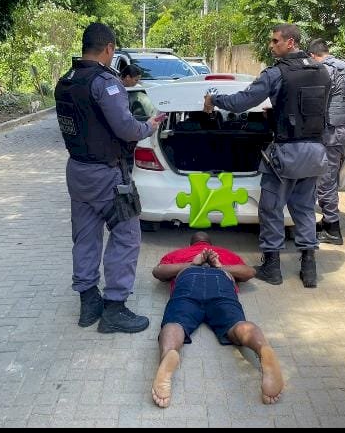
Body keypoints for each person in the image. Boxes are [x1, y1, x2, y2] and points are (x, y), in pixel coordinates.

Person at [54, 22, 165, 334]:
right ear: (109, 49)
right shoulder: (106, 82)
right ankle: (114, 307)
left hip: (77, 170)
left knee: (85, 236)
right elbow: (127, 128)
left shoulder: (66, 80)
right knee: (127, 235)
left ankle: (89, 302)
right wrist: (149, 126)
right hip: (106, 174)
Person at [204, 23, 331, 288]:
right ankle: (309, 268)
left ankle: (272, 267)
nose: (271, 46)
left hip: (287, 154)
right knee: (305, 208)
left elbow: (242, 101)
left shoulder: (276, 74)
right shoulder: (322, 71)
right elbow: (311, 110)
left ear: (291, 43)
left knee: (271, 208)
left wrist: (214, 99)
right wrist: (276, 114)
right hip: (316, 152)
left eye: (275, 41)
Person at [150, 231, 284, 408]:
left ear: (191, 244)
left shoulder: (178, 253)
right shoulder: (225, 252)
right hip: (221, 281)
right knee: (237, 325)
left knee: (175, 323)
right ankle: (262, 348)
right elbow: (249, 272)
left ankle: (168, 354)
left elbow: (158, 271)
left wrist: (191, 264)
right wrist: (219, 266)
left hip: (188, 279)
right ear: (211, 242)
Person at [308, 39, 345, 246]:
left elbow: (316, 104)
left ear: (313, 55)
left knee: (326, 182)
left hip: (331, 133)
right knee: (331, 179)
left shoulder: (324, 70)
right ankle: (326, 221)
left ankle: (333, 229)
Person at [118, 62, 144, 171]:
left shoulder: (134, 90)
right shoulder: (116, 89)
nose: (137, 83)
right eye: (135, 80)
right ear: (127, 77)